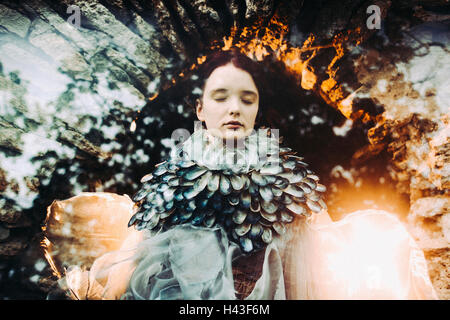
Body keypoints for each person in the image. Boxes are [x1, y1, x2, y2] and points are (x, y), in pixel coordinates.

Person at [45, 48, 438, 300]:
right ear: (199, 109)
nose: (234, 108)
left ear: (256, 109)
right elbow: (130, 265)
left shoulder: (290, 176)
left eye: (246, 99)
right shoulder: (169, 179)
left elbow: (322, 261)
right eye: (221, 97)